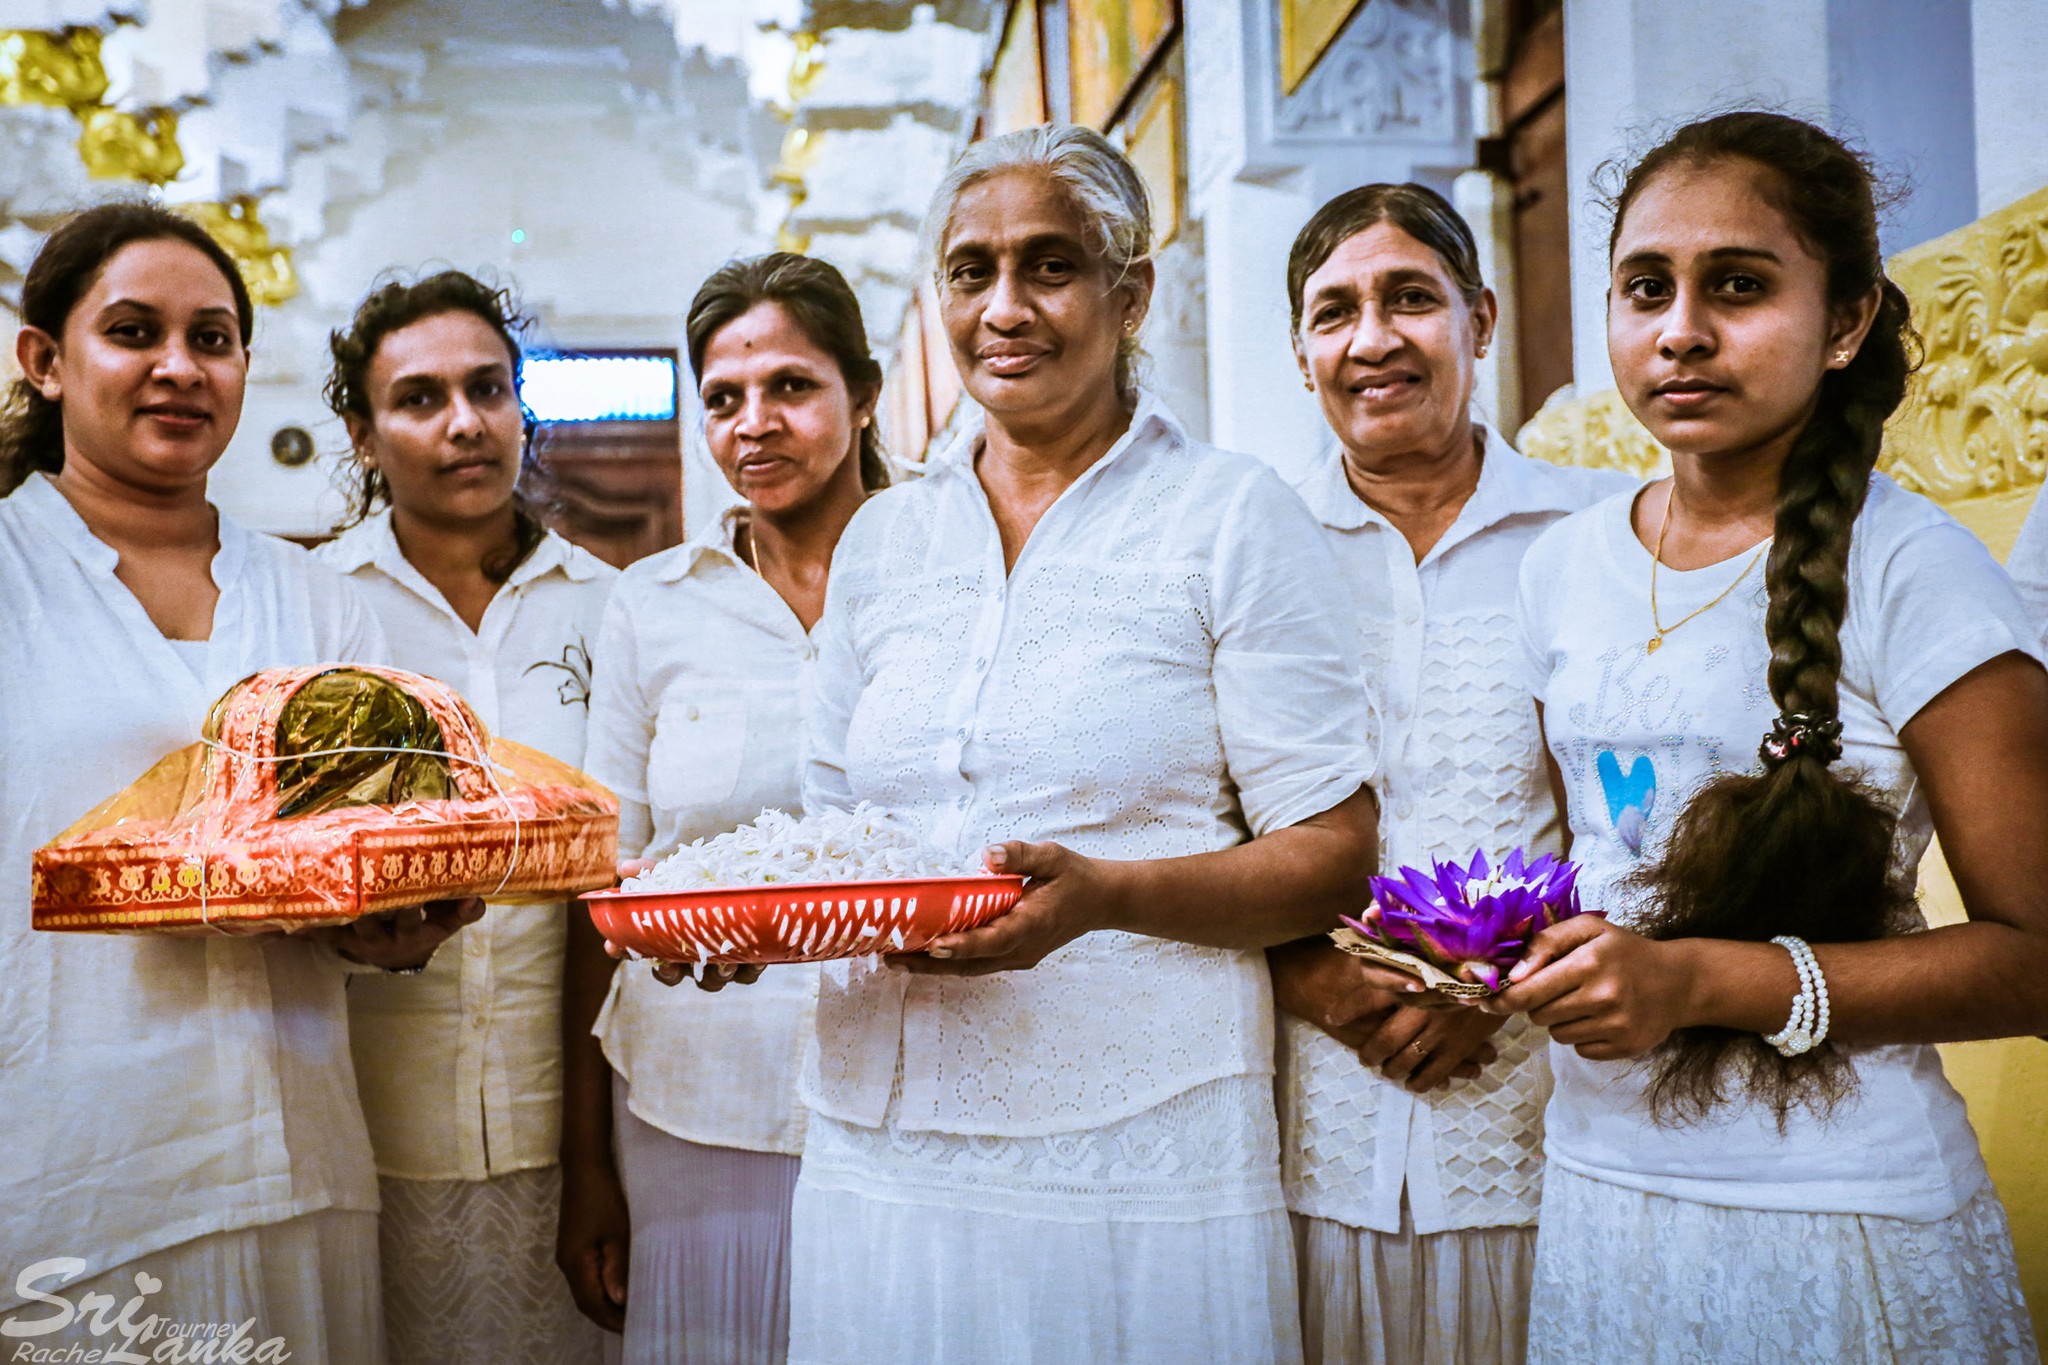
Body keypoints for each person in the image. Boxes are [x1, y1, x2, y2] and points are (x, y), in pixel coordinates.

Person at [785, 123, 1380, 1365]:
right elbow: (824, 836)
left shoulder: (1228, 517)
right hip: (877, 1135)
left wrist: (1105, 897)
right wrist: (756, 928)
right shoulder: (885, 543)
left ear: (1130, 292)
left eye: (1047, 266)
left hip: (1133, 1141)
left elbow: (1333, 855)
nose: (1003, 308)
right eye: (969, 271)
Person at [1492, 112, 2045, 1360]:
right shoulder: (1562, 569)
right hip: (1598, 1195)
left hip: (1835, 1221)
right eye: (1645, 288)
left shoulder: (1915, 574)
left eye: (1735, 286)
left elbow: (2035, 960)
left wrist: (1695, 981)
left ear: (1844, 322)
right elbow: (1597, 859)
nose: (1679, 330)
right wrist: (1466, 955)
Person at [0, 203, 476, 1362]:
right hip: (70, 1180)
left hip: (297, 1163)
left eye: (212, 338)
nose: (179, 367)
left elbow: (368, 852)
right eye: (132, 331)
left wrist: (399, 925)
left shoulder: (317, 601)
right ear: (45, 360)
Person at [1270, 183, 1636, 1365]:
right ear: (1298, 351)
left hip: (1538, 1115)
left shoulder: (1598, 539)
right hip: (1304, 1131)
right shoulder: (1251, 549)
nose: (1370, 340)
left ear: (1479, 319)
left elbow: (1645, 816)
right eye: (1334, 312)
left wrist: (1505, 987)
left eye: (1409, 299)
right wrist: (1308, 979)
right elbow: (1199, 812)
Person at [564, 252, 886, 1364]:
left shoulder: (946, 579)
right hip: (692, 1095)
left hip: (912, 1083)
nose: (755, 424)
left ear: (864, 395)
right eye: (723, 398)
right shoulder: (652, 606)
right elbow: (601, 883)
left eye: (791, 387)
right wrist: (586, 1169)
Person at [318, 270, 615, 1365]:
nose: (463, 424)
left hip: (574, 1120)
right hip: (370, 1121)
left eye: (489, 389)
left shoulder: (613, 608)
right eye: (418, 398)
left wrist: (597, 1156)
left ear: (521, 408)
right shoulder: (318, 615)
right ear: (361, 431)